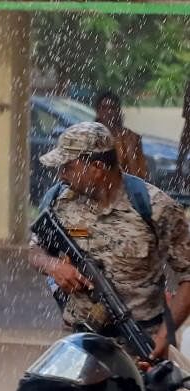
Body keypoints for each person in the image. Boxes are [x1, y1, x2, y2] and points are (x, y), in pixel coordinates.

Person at [29, 122, 190, 358]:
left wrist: (165, 336)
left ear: (97, 168)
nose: (61, 174)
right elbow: (34, 250)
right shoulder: (58, 201)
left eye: (68, 167)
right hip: (80, 344)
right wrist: (53, 266)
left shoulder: (153, 207)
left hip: (143, 344)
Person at [94, 90, 149, 180]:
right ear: (98, 111)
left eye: (112, 108)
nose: (108, 112)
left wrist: (130, 150)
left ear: (118, 111)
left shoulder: (132, 137)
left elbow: (140, 174)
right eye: (104, 108)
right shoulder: (89, 135)